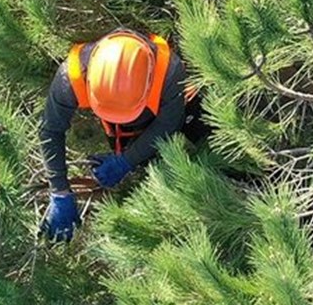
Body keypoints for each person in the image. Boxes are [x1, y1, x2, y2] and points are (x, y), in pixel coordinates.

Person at [39, 28, 207, 242]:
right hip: (126, 109)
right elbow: (51, 129)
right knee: (146, 169)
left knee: (202, 131)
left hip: (174, 109)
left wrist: (126, 160)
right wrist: (59, 191)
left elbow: (168, 124)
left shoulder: (169, 72)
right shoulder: (71, 76)